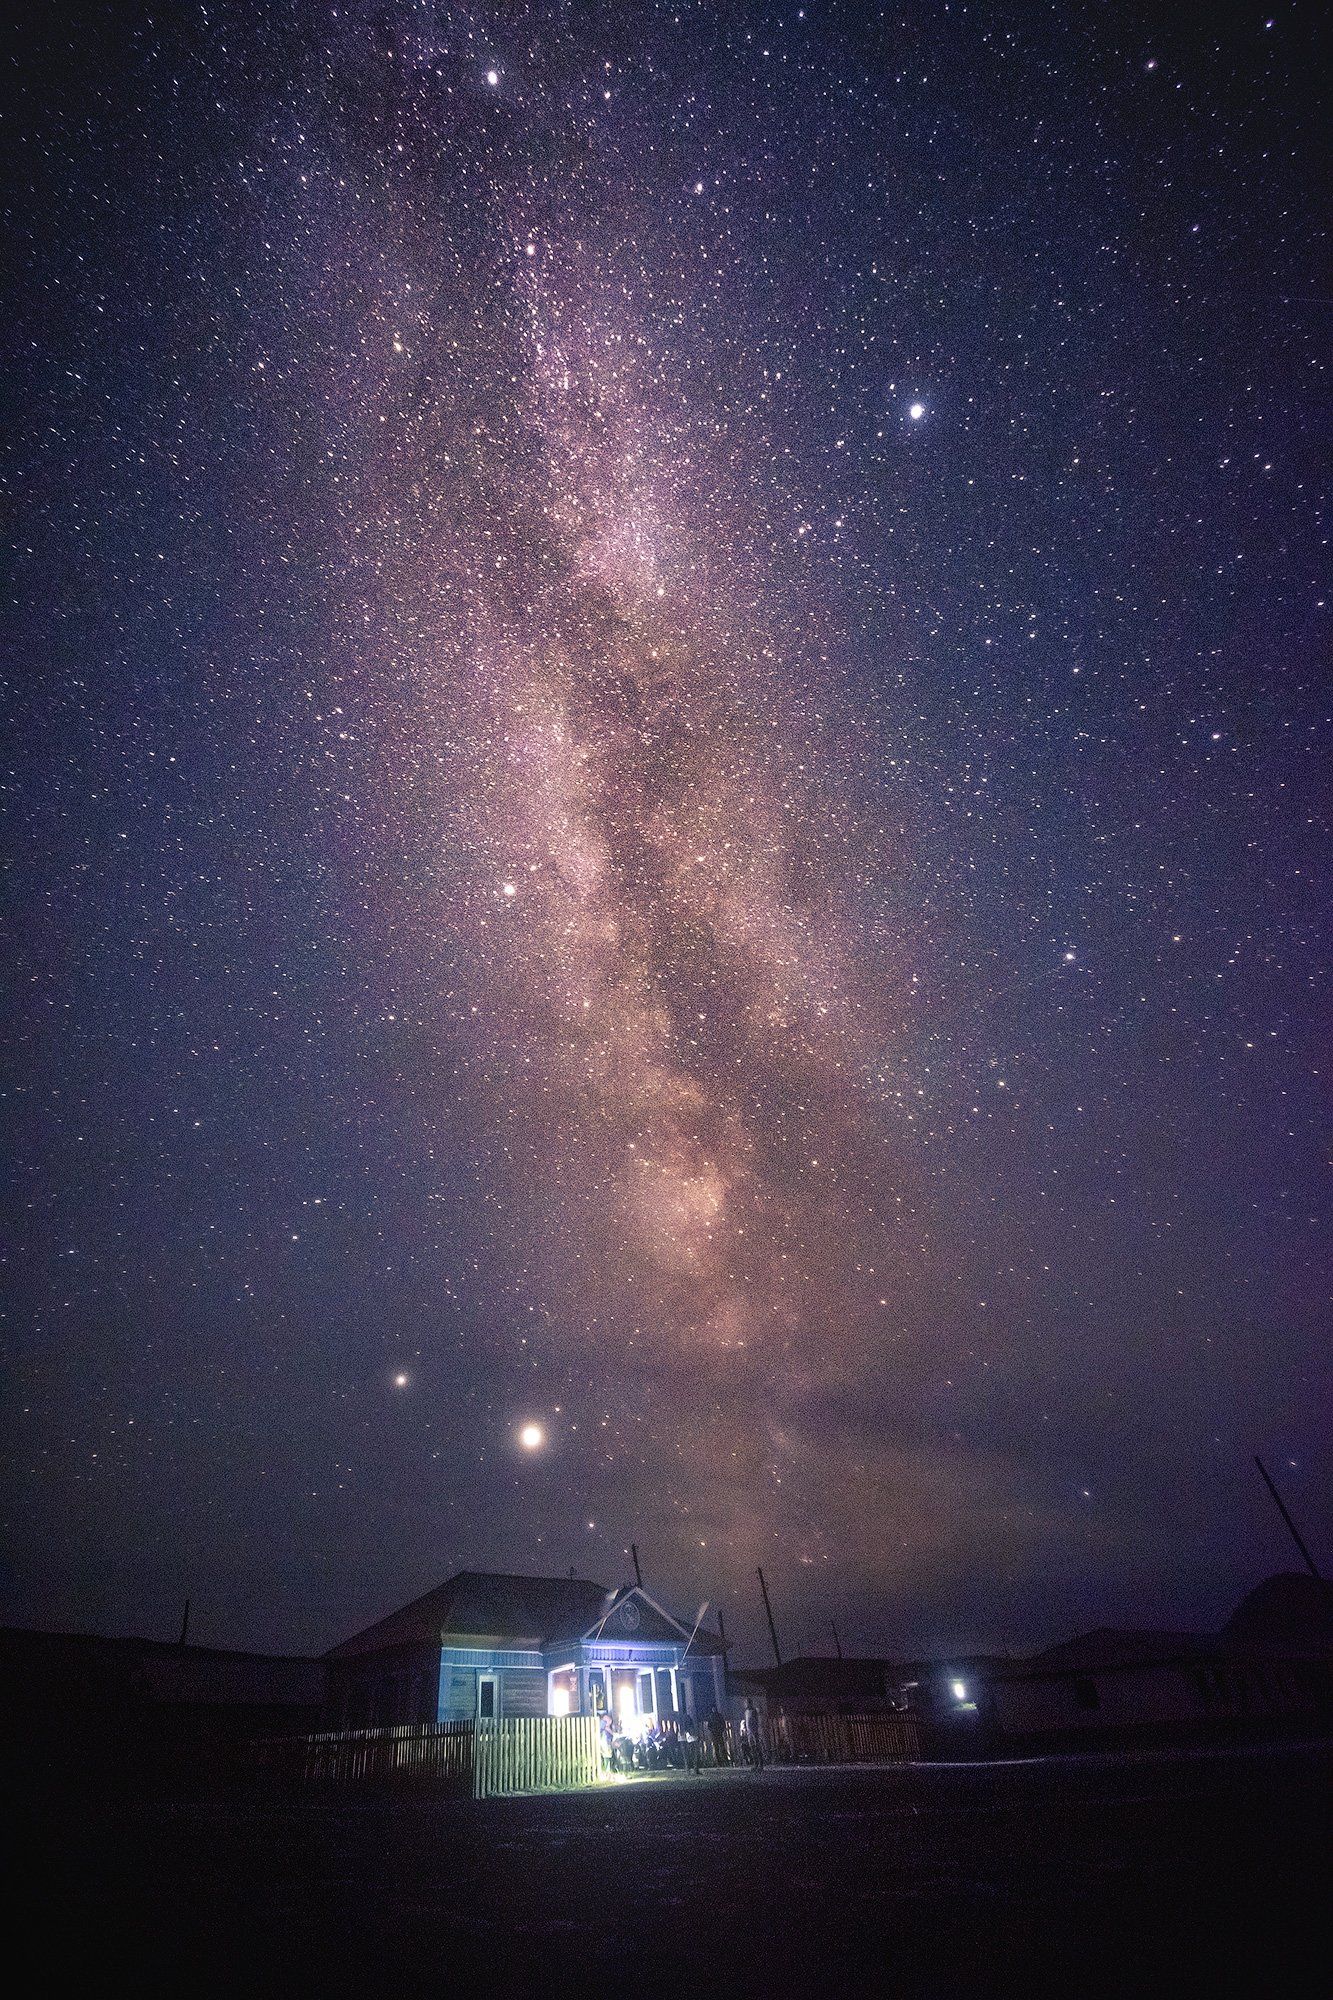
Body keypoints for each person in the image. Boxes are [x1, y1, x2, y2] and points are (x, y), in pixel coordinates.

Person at [740, 1699, 765, 1771]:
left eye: (746, 1703)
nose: (745, 1704)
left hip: (754, 1732)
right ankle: (756, 1764)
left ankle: (761, 1764)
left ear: (750, 1703)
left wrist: (755, 1731)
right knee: (752, 1748)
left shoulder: (753, 1711)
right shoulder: (746, 1712)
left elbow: (756, 1721)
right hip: (749, 1733)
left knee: (757, 1748)